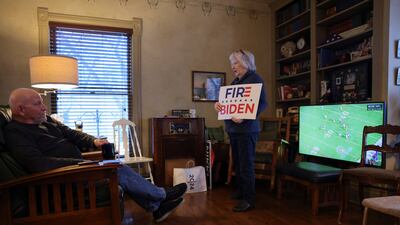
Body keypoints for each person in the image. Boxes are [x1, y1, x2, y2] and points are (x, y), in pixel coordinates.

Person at [4, 88, 187, 223]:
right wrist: (79, 164)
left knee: (114, 166)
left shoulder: (47, 121)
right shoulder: (16, 132)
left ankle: (157, 207)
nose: (44, 108)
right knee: (116, 169)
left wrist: (94, 141)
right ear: (21, 110)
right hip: (59, 182)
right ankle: (161, 195)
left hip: (75, 172)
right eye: (38, 104)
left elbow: (71, 133)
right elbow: (38, 164)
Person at [214, 49, 267, 212]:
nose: (233, 66)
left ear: (246, 62)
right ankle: (241, 191)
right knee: (237, 162)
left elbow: (263, 103)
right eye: (232, 63)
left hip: (247, 129)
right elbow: (228, 103)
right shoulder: (235, 82)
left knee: (246, 164)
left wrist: (245, 117)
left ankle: (249, 199)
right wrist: (219, 106)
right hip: (233, 130)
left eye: (236, 62)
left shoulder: (255, 79)